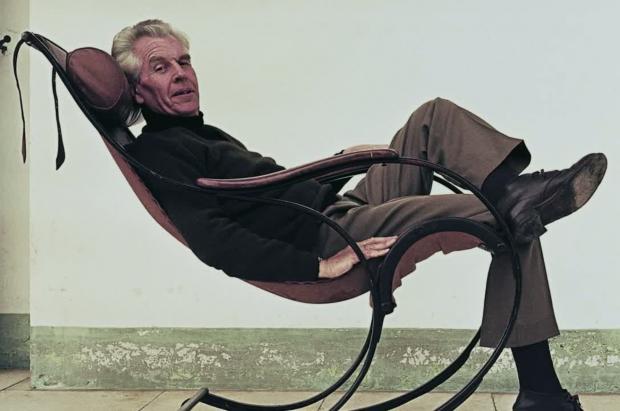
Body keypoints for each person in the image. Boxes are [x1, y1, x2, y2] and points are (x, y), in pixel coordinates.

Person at [112, 19, 606, 411]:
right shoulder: (162, 151)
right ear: (136, 91)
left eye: (184, 61)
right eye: (161, 67)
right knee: (511, 218)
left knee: (432, 117)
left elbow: (267, 195)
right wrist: (320, 266)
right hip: (332, 235)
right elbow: (214, 240)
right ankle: (541, 391)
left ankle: (518, 192)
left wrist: (338, 164)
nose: (181, 73)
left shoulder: (198, 135)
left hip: (339, 208)